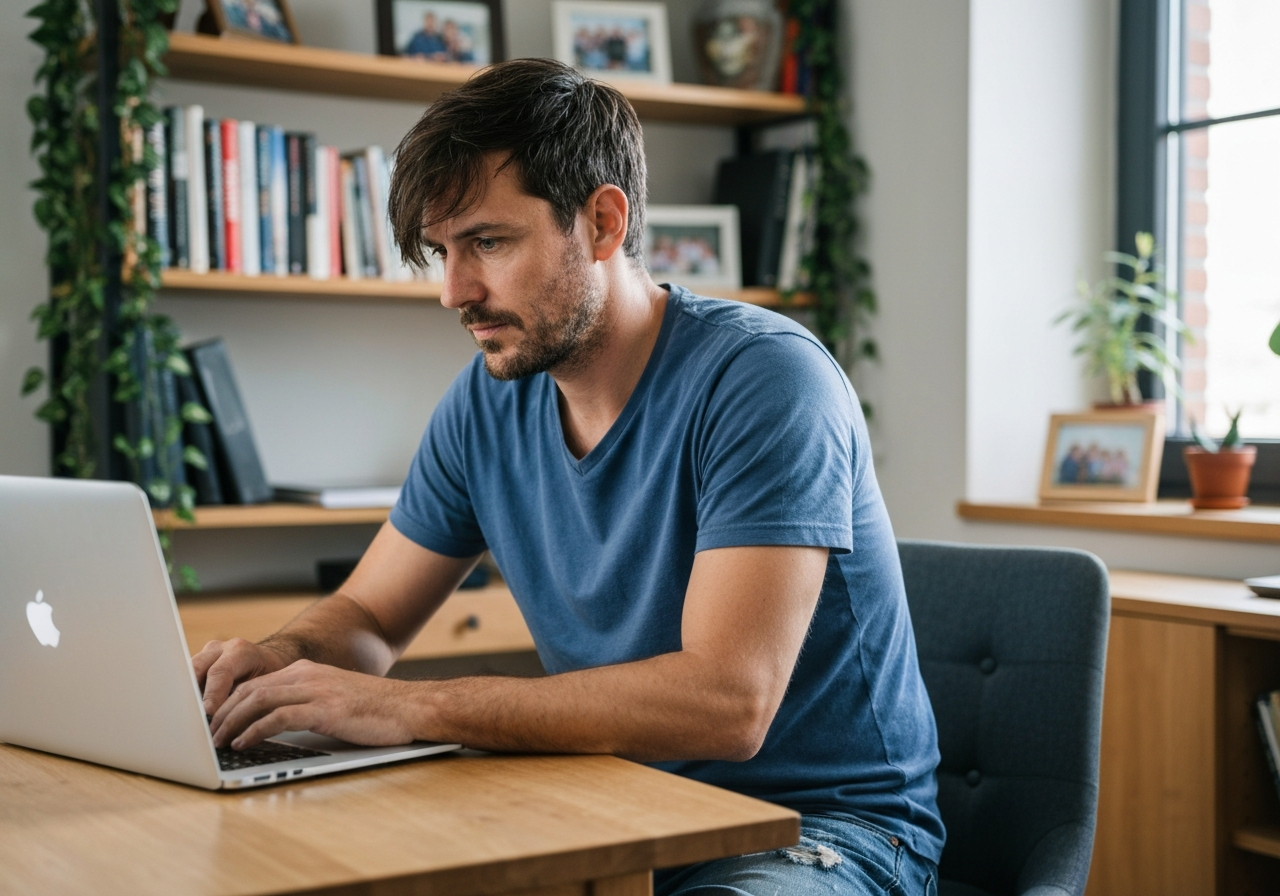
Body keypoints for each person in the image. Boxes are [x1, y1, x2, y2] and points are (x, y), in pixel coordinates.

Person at [195, 58, 943, 895]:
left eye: (487, 241)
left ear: (602, 221)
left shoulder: (765, 380)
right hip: (607, 804)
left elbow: (728, 704)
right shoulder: (487, 403)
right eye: (441, 252)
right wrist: (274, 667)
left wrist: (413, 707)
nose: (453, 292)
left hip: (819, 833)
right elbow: (370, 614)